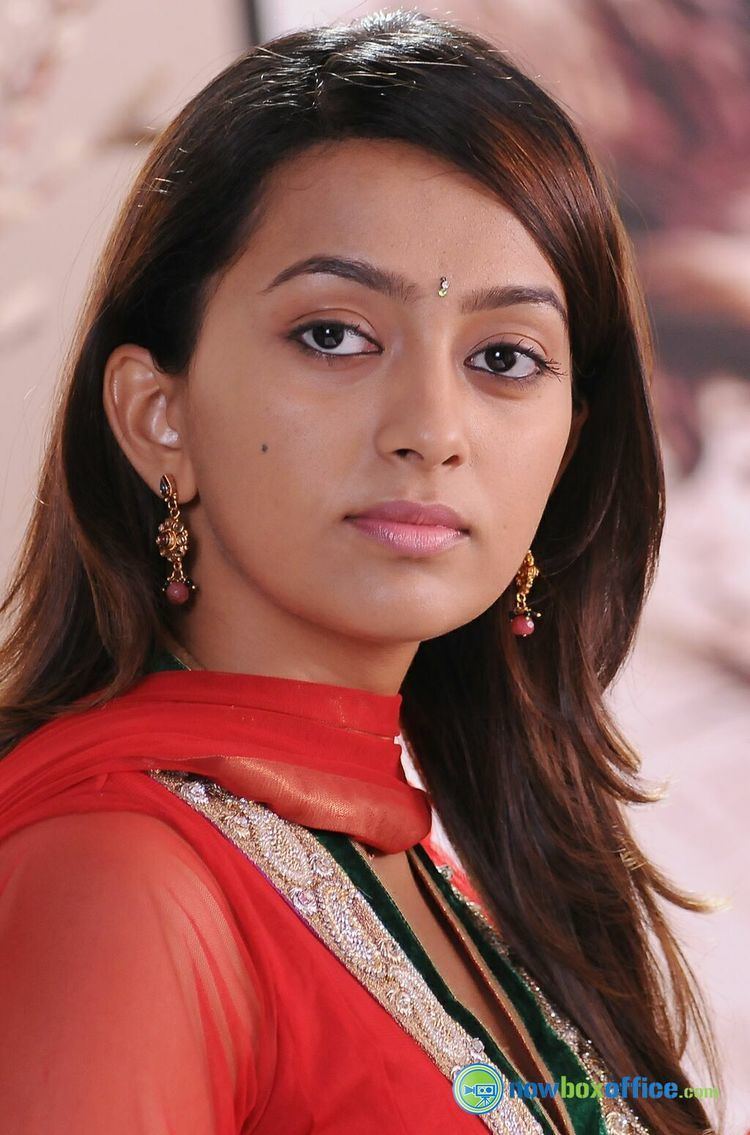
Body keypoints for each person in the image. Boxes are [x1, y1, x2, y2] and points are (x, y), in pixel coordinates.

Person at [0, 9, 722, 1134]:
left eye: (503, 358)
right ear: (158, 415)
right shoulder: (120, 877)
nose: (431, 428)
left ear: (570, 444)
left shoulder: (464, 885)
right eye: (335, 335)